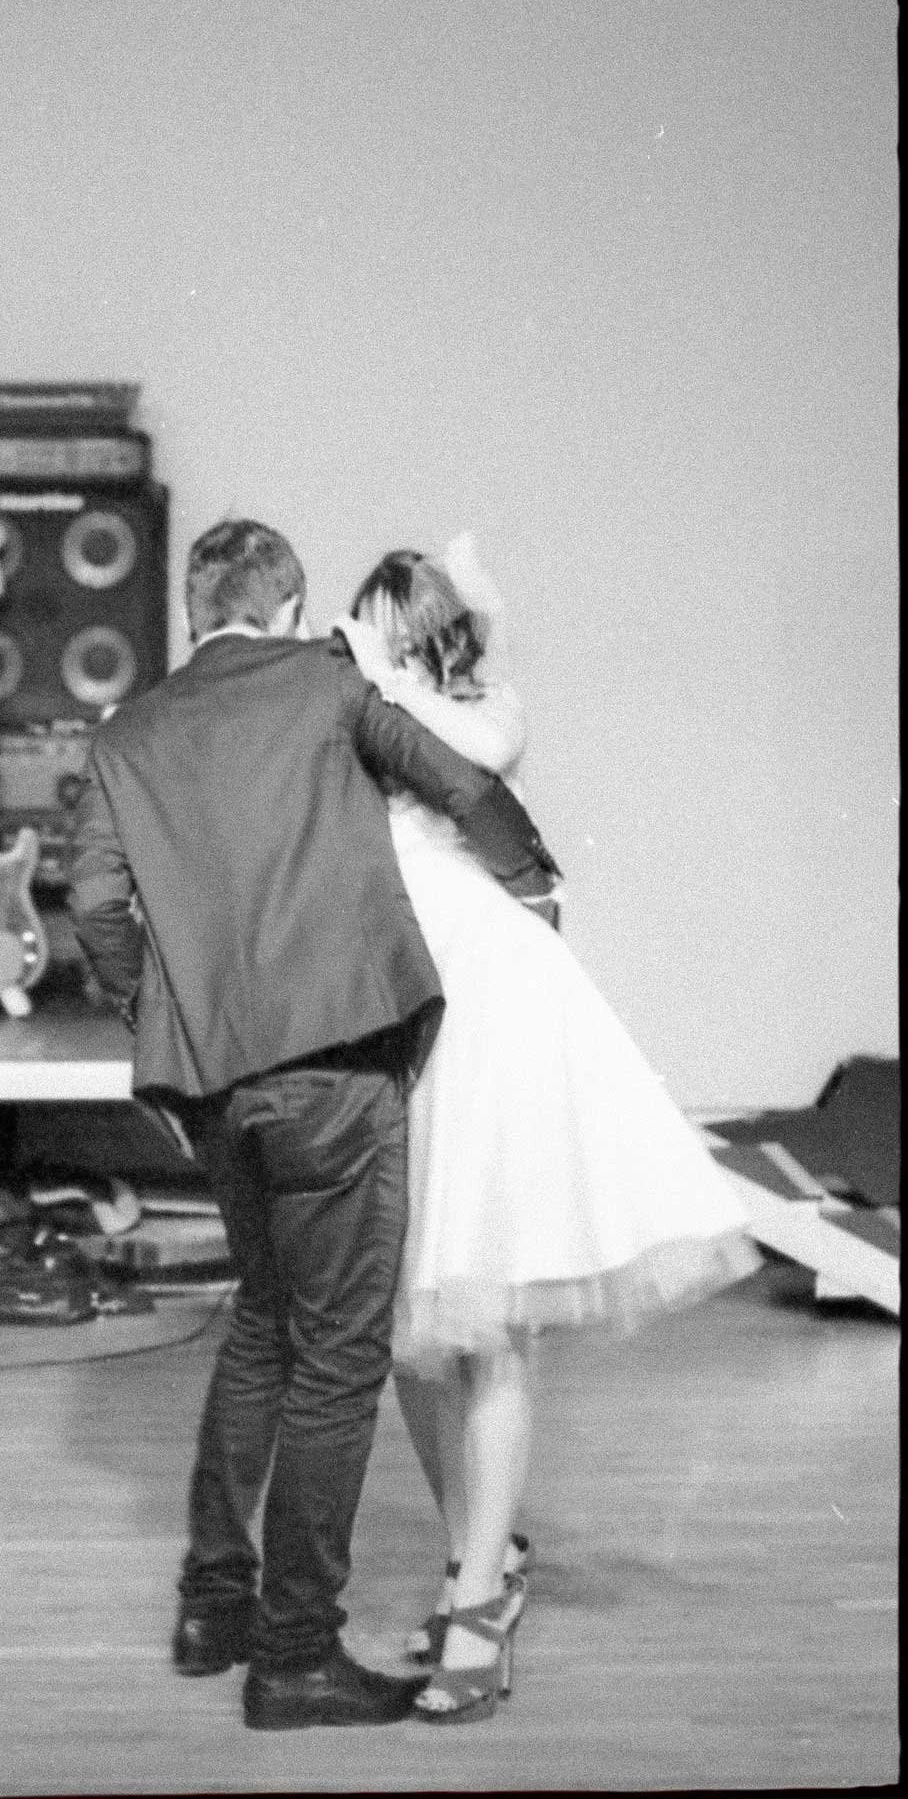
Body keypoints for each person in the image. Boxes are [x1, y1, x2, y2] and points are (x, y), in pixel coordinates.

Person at [68, 518, 560, 1731]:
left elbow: (94, 904)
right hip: (339, 1071)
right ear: (291, 609)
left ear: (195, 616)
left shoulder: (127, 733)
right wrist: (537, 883)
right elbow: (462, 782)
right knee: (339, 1361)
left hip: (219, 1086)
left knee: (264, 1327)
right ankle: (292, 1653)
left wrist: (154, 1017)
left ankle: (212, 1602)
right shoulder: (329, 684)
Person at [334, 536, 762, 1724]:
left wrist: (387, 679)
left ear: (426, 635)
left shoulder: (479, 710)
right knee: (407, 1328)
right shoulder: (353, 714)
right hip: (386, 997)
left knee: (488, 1311)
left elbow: (473, 759)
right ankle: (484, 1559)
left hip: (488, 1001)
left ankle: (476, 1604)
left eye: (385, 623)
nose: (365, 641)